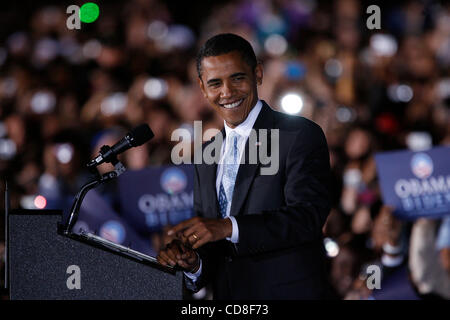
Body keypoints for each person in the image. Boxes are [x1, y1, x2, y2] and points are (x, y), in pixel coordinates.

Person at [157, 33, 332, 299]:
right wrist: (193, 262)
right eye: (215, 83)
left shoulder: (298, 135)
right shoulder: (205, 155)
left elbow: (307, 217)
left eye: (237, 78)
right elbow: (213, 245)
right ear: (202, 88)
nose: (227, 92)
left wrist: (229, 226)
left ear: (258, 74)